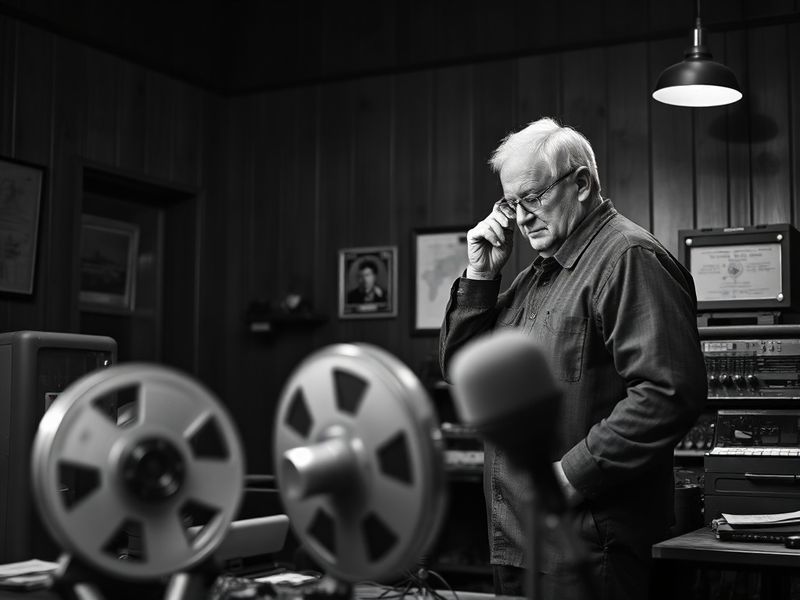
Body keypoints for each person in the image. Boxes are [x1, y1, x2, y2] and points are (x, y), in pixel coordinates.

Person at [439, 117, 707, 600]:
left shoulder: (628, 257)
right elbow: (465, 372)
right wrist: (480, 277)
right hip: (518, 544)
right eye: (511, 203)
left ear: (581, 183)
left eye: (532, 198)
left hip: (589, 549)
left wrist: (571, 475)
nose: (521, 219)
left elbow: (669, 393)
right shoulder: (533, 278)